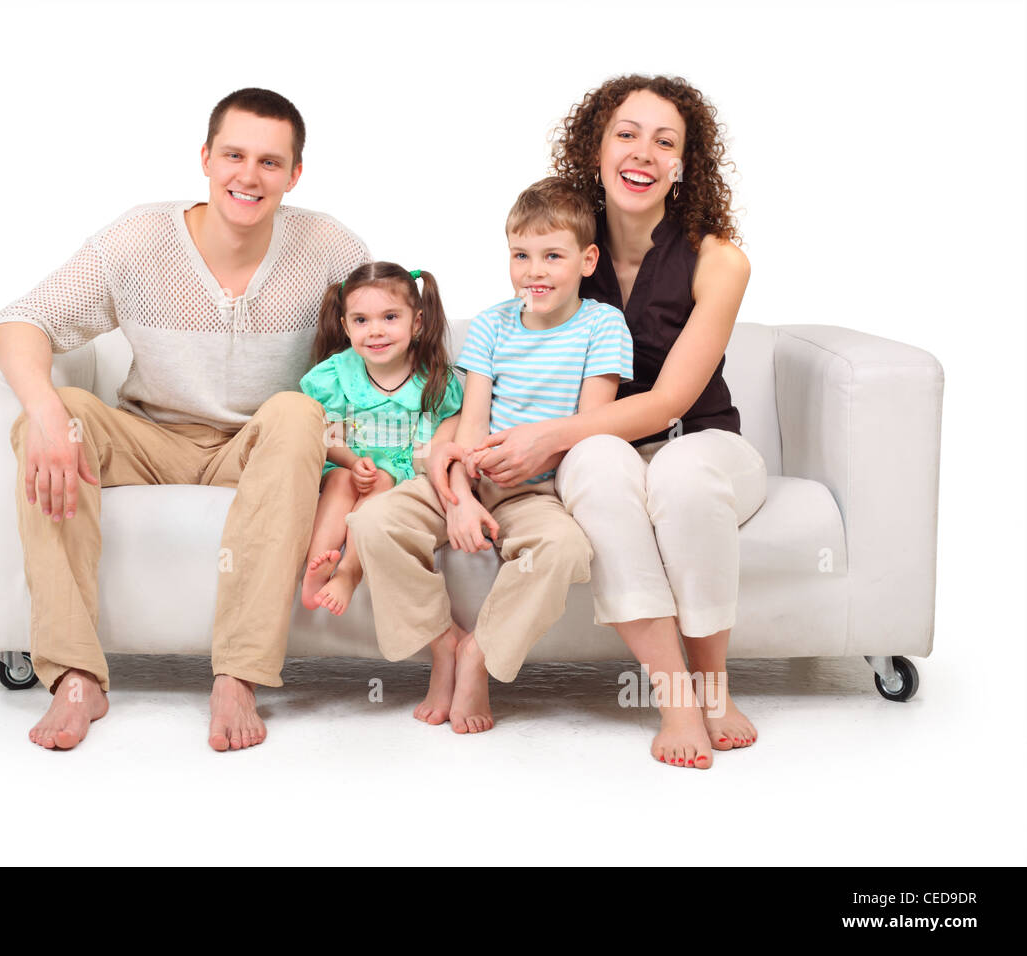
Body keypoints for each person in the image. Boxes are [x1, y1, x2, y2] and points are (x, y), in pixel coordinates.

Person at [0, 87, 369, 752]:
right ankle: (75, 676)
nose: (247, 176)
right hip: (151, 437)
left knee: (295, 412)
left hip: (257, 447)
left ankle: (239, 676)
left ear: (295, 174)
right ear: (205, 157)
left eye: (270, 163)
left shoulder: (329, 245)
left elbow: (389, 339)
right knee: (58, 418)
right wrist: (47, 409)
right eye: (233, 155)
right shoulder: (140, 238)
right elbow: (23, 319)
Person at [438, 75, 766, 770]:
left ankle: (714, 685)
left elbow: (671, 401)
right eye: (626, 134)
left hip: (701, 441)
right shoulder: (562, 251)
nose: (643, 152)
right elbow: (504, 355)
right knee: (596, 465)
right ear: (597, 148)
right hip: (597, 445)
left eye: (664, 140)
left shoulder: (719, 259)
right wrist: (455, 444)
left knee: (677, 475)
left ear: (684, 164)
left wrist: (543, 439)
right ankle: (675, 695)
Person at [348, 178, 633, 734]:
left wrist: (529, 458)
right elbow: (470, 425)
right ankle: (445, 647)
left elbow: (589, 425)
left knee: (564, 548)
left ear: (587, 259)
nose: (535, 271)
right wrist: (457, 499)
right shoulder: (491, 324)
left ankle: (480, 654)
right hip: (469, 477)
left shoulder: (602, 325)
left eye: (553, 255)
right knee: (374, 521)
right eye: (521, 255)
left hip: (537, 489)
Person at [298, 263, 463, 616]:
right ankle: (317, 564)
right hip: (345, 461)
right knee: (342, 481)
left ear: (416, 322)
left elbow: (446, 426)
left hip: (398, 471)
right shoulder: (336, 375)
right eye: (361, 321)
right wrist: (350, 462)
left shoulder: (431, 377)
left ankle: (348, 572)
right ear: (345, 325)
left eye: (390, 317)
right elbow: (326, 434)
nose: (375, 331)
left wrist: (425, 460)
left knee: (381, 479)